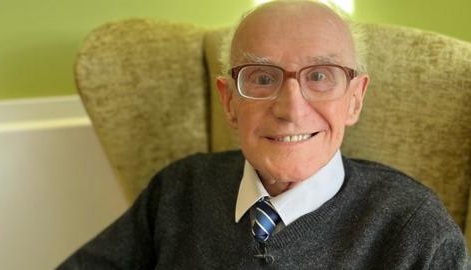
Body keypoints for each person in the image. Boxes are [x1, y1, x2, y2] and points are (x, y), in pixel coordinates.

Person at [58, 1, 469, 269]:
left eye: (321, 76)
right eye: (262, 77)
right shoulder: (179, 191)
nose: (290, 109)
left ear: (355, 99)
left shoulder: (414, 229)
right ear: (230, 101)